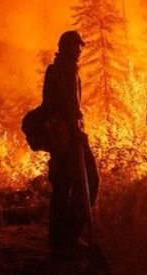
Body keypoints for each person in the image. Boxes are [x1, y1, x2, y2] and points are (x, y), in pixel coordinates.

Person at [41, 30, 99, 260]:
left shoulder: (61, 69)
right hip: (67, 136)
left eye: (79, 47)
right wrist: (77, 133)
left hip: (63, 136)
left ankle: (60, 241)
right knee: (89, 180)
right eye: (75, 46)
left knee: (63, 186)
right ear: (65, 47)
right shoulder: (64, 70)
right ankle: (69, 238)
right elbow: (68, 105)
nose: (79, 51)